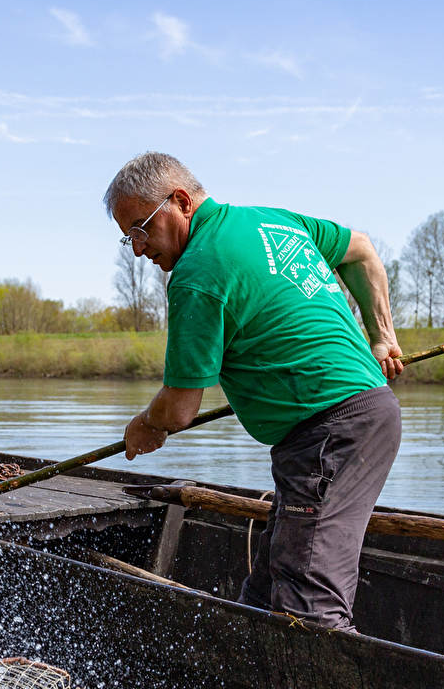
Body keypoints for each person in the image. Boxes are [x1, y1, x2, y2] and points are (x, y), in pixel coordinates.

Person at [105, 152, 402, 631]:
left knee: (308, 612)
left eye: (142, 229)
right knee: (264, 594)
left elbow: (179, 409)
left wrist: (145, 425)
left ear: (181, 201)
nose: (138, 249)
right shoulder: (272, 222)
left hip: (331, 431)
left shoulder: (197, 273)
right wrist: (383, 336)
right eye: (128, 238)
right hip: (360, 416)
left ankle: (328, 677)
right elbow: (362, 251)